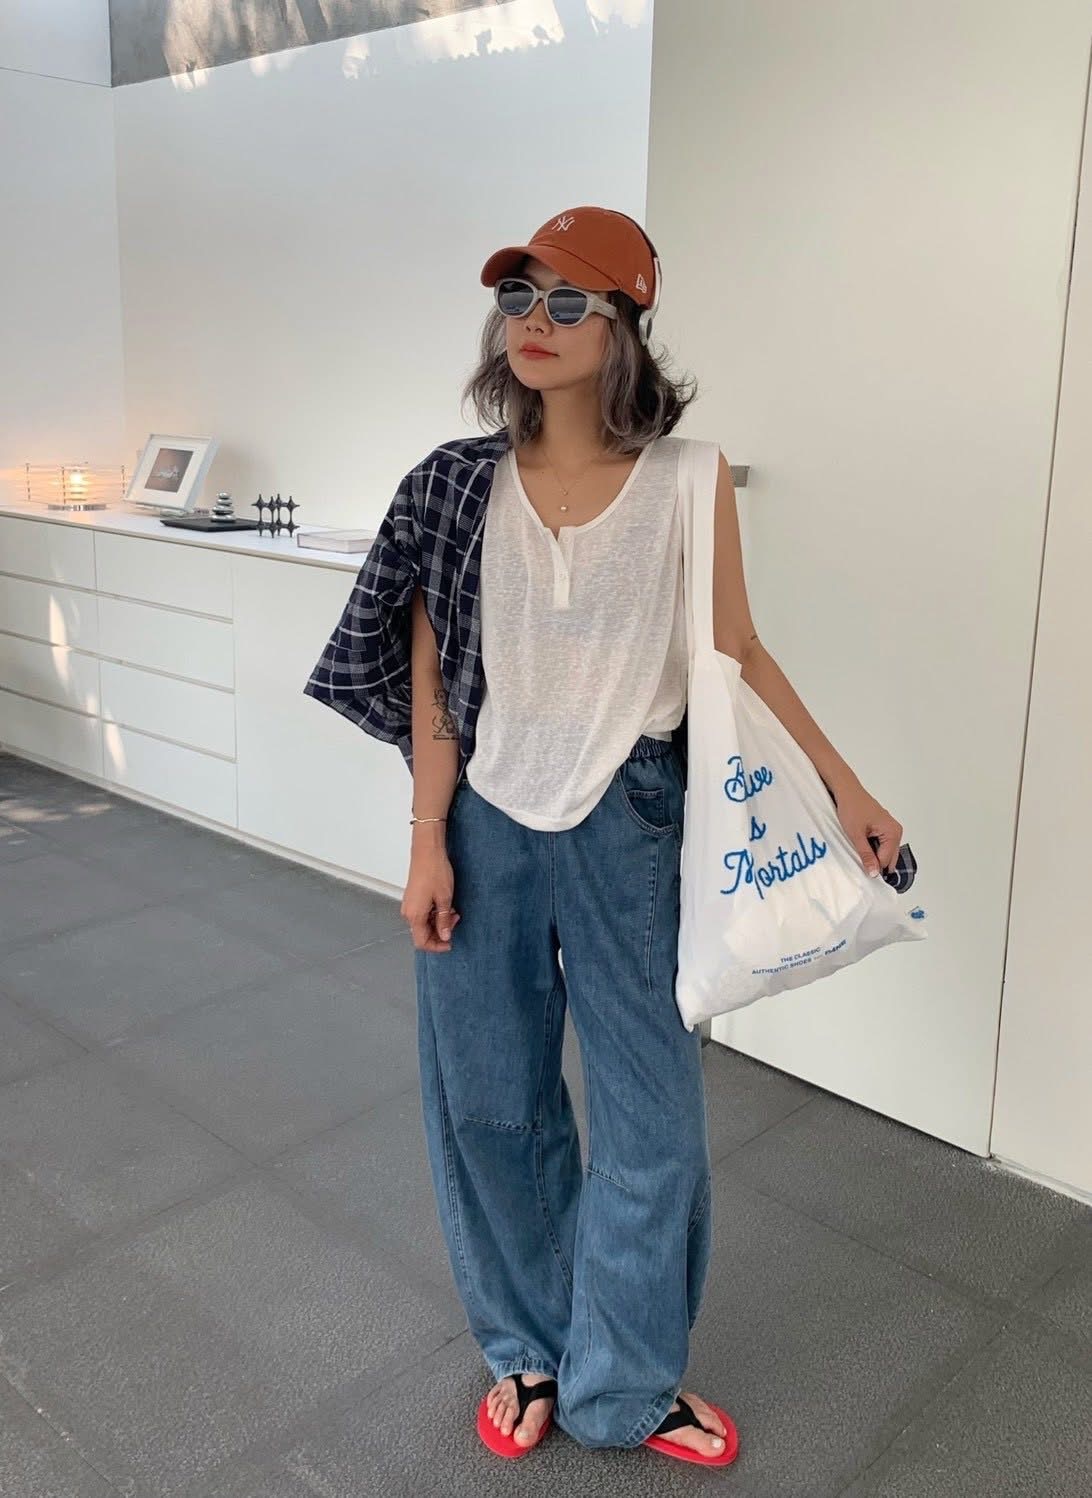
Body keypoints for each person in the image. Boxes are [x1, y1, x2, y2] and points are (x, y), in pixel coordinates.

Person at [303, 206, 904, 1466]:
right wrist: (426, 841)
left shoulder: (689, 477)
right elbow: (434, 683)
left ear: (626, 326)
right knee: (491, 1102)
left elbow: (737, 649)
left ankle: (622, 1382)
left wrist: (842, 784)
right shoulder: (455, 484)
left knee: (653, 1124)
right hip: (485, 820)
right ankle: (528, 1346)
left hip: (631, 820)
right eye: (518, 297)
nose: (535, 323)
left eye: (569, 302)